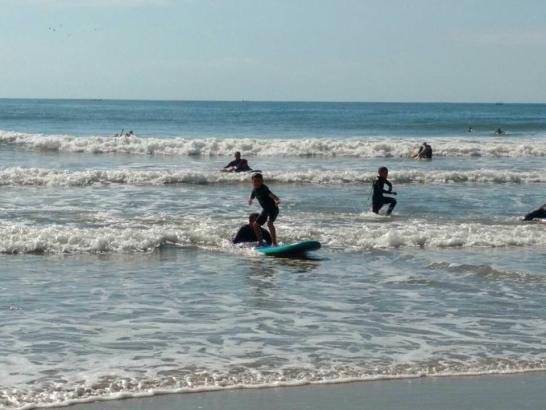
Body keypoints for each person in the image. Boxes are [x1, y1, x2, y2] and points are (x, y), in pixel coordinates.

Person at [248, 173, 280, 246]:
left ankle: (274, 243)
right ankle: (260, 241)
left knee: (269, 223)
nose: (257, 183)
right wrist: (250, 199)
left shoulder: (264, 189)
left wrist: (277, 200)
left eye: (258, 181)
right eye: (255, 181)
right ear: (252, 182)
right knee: (255, 225)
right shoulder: (254, 190)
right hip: (265, 210)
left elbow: (272, 195)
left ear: (262, 181)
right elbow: (252, 195)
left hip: (273, 209)